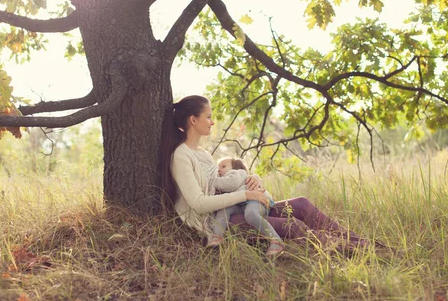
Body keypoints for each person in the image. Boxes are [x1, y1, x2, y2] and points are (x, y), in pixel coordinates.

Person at [160, 95, 374, 256]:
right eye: (208, 117)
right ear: (193, 120)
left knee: (301, 204)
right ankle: (354, 251)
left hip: (235, 208)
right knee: (293, 226)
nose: (212, 121)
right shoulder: (181, 156)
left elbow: (221, 184)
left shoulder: (203, 153)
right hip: (216, 223)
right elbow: (198, 204)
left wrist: (251, 180)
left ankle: (366, 244)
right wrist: (247, 196)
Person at [207, 156, 284, 257]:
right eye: (218, 167)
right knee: (223, 210)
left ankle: (276, 240)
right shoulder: (223, 179)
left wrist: (210, 180)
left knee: (251, 214)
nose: (219, 169)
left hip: (256, 198)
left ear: (236, 168)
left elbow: (230, 184)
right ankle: (217, 237)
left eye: (223, 166)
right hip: (240, 203)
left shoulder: (237, 173)